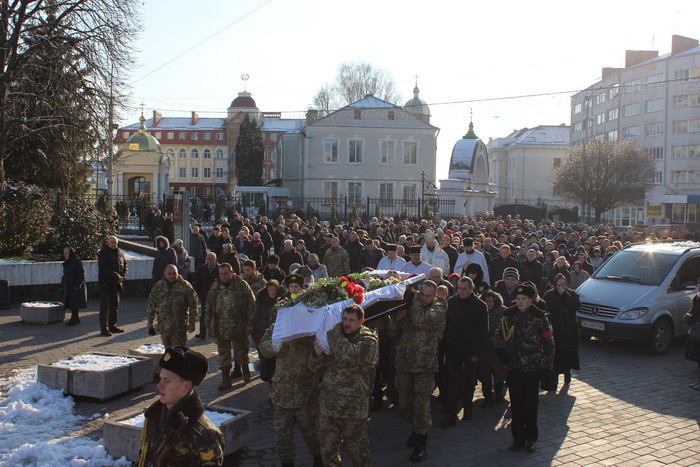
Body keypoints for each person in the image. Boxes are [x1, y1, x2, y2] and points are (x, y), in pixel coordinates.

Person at [310, 304, 379, 466]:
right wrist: (316, 355)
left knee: (359, 455)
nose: (347, 323)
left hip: (353, 409)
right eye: (344, 319)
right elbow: (313, 368)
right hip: (329, 407)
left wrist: (333, 332)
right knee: (328, 454)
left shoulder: (368, 339)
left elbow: (349, 355)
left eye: (351, 320)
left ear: (361, 321)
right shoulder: (334, 338)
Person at [388, 281, 446, 463]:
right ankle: (416, 428)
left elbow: (421, 320)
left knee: (421, 405)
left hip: (424, 367)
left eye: (428, 295)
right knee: (404, 403)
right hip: (405, 363)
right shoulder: (412, 307)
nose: (423, 298)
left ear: (434, 296)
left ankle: (421, 442)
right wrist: (397, 318)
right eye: (421, 294)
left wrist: (412, 300)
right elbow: (392, 333)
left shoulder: (438, 309)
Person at [138, 346, 224, 466]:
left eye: (167, 381)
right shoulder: (154, 415)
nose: (159, 386)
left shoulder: (204, 435)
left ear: (186, 386)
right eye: (160, 379)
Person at [494, 283, 555, 453]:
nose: (519, 302)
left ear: (531, 300)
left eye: (523, 299)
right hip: (514, 366)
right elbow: (499, 335)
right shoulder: (509, 314)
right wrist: (501, 352)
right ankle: (517, 438)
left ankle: (531, 438)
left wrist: (546, 366)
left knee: (530, 406)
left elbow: (549, 343)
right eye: (518, 298)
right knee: (516, 404)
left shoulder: (539, 316)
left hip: (533, 367)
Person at [259, 319, 323, 467]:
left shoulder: (312, 329)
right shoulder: (278, 328)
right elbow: (263, 348)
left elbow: (320, 362)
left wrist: (315, 352)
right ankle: (287, 463)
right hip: (282, 394)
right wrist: (283, 343)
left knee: (312, 434)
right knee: (283, 437)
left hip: (306, 395)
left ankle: (318, 458)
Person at [441, 277, 488, 426]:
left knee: (469, 382)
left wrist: (477, 353)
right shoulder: (452, 302)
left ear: (471, 288)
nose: (460, 291)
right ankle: (450, 413)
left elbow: (482, 331)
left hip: (470, 349)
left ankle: (468, 409)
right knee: (452, 381)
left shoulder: (480, 305)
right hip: (453, 348)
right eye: (459, 288)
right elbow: (446, 326)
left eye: (464, 289)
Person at [205, 263, 256, 389]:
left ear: (232, 273)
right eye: (221, 274)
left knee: (241, 352)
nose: (223, 276)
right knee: (223, 355)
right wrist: (207, 325)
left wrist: (250, 324)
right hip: (220, 327)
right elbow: (209, 307)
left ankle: (245, 369)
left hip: (238, 326)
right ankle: (225, 379)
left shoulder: (241, 285)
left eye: (226, 273)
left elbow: (251, 304)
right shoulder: (215, 287)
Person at [543, 273, 581, 388]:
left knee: (567, 354)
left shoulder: (572, 294)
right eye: (558, 285)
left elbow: (576, 306)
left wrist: (565, 295)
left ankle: (567, 372)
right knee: (555, 356)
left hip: (568, 330)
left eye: (563, 285)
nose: (561, 287)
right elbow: (545, 309)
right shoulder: (549, 295)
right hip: (555, 329)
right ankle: (553, 380)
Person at [147, 264, 199, 347]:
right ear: (164, 274)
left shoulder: (185, 286)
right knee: (168, 354)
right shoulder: (158, 287)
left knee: (178, 354)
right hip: (164, 328)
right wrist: (150, 322)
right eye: (169, 274)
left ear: (178, 273)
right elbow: (151, 305)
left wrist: (192, 323)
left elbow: (193, 305)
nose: (172, 276)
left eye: (174, 273)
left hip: (180, 328)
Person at [478, 290, 507, 405]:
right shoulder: (479, 311)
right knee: (484, 373)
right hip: (484, 348)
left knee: (499, 372)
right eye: (486, 301)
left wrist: (498, 336)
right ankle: (487, 397)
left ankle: (498, 394)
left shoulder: (503, 311)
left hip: (497, 348)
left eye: (491, 301)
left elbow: (507, 327)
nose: (489, 303)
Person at [252, 280, 281, 384]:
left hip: (279, 333)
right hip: (265, 333)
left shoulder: (282, 301)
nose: (272, 292)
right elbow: (257, 317)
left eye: (274, 290)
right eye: (270, 290)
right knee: (267, 359)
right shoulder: (261, 301)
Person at [97, 236, 127, 336]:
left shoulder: (120, 252)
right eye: (112, 243)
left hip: (117, 284)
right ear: (108, 243)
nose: (114, 244)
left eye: (115, 242)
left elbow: (125, 265)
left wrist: (123, 276)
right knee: (105, 306)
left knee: (115, 306)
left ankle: (112, 325)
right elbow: (104, 268)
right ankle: (104, 328)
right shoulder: (103, 253)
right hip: (106, 283)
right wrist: (116, 276)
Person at [193, 252, 219, 339]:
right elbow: (197, 283)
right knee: (204, 315)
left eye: (212, 259)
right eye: (208, 259)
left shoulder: (220, 269)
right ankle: (202, 333)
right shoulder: (201, 269)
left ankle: (216, 332)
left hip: (218, 296)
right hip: (205, 296)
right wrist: (198, 294)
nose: (210, 261)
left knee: (218, 315)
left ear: (215, 259)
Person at [62, 247, 87, 326]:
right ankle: (76, 318)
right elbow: (65, 275)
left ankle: (74, 319)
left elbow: (82, 274)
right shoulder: (68, 261)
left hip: (75, 285)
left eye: (66, 253)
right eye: (64, 253)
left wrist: (78, 285)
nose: (64, 255)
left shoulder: (76, 261)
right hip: (70, 285)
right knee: (73, 302)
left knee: (75, 302)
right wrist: (62, 284)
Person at [684, 276, 700, 390]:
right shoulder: (697, 297)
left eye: (698, 283)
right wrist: (688, 316)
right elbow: (693, 311)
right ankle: (698, 382)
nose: (697, 285)